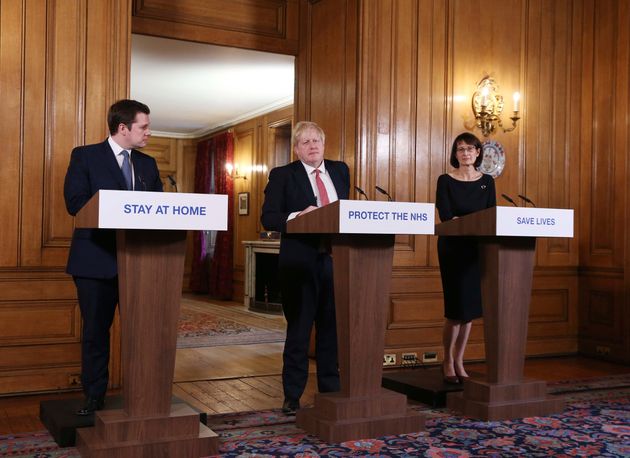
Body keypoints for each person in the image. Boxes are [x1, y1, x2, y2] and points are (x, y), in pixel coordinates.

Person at [64, 99, 163, 415]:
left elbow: (158, 210)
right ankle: (94, 397)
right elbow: (76, 203)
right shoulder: (85, 156)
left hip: (139, 263)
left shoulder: (147, 164)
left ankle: (145, 395)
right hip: (95, 262)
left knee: (143, 334)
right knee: (95, 333)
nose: (149, 132)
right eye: (144, 126)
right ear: (123, 128)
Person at [261, 121, 350, 414]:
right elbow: (269, 218)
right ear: (297, 148)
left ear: (324, 145)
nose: (313, 146)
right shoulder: (283, 175)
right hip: (300, 264)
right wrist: (301, 215)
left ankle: (330, 390)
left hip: (336, 261)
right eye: (306, 142)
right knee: (299, 332)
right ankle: (292, 396)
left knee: (331, 330)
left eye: (317, 141)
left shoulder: (340, 171)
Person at [436, 132, 496, 384]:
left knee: (470, 311)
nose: (465, 153)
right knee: (455, 310)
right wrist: (468, 222)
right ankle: (447, 360)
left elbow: (491, 214)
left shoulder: (487, 181)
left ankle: (460, 360)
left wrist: (471, 223)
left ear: (478, 152)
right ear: (455, 153)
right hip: (453, 249)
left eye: (470, 149)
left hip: (477, 249)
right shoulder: (445, 180)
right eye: (460, 149)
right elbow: (447, 215)